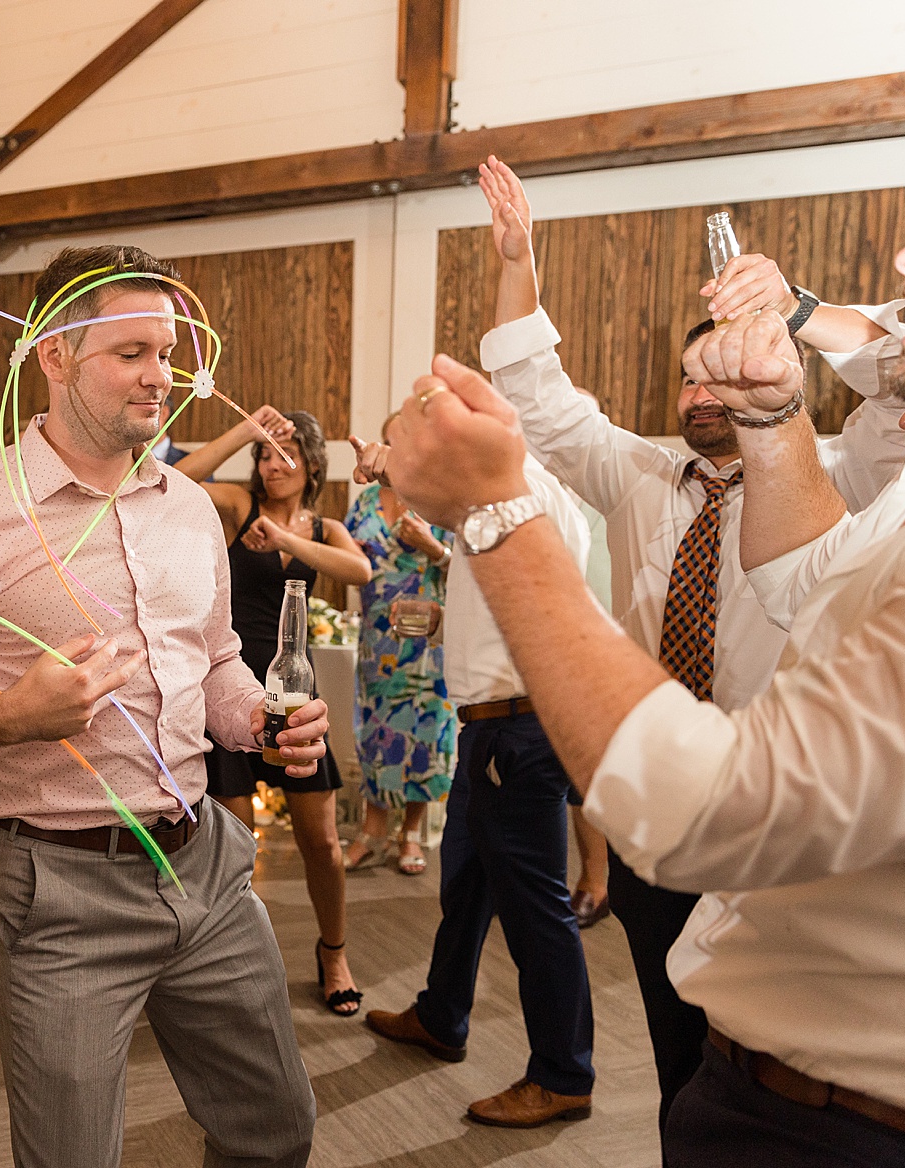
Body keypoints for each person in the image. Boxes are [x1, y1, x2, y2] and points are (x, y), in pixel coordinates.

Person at [381, 190, 905, 1168]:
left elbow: (713, 807)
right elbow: (806, 582)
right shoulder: (675, 479)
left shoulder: (891, 473)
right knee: (672, 1030)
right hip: (765, 1006)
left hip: (863, 1127)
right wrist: (775, 415)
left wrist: (494, 518)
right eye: (688, 378)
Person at [0, 244, 324, 1168]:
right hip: (63, 891)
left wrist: (260, 722)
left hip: (207, 866)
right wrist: (0, 718)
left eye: (169, 350)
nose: (163, 375)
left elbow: (219, 661)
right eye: (131, 353)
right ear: (54, 356)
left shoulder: (192, 507)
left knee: (274, 1130)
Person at [359, 434, 601, 1128]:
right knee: (466, 882)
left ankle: (563, 1073)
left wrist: (394, 461)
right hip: (492, 726)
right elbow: (511, 600)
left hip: (516, 731)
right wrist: (447, 622)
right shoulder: (515, 504)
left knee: (534, 908)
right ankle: (443, 1013)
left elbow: (439, 497)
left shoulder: (517, 496)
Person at [173, 406, 372, 1015]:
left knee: (323, 843)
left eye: (286, 453)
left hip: (292, 691)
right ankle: (235, 968)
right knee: (236, 848)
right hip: (231, 691)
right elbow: (181, 479)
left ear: (312, 465)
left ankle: (333, 951)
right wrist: (245, 431)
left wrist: (287, 539)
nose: (272, 463)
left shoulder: (324, 526)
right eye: (265, 453)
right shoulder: (236, 505)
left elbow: (360, 569)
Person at [343, 412, 456, 879]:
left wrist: (432, 547)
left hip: (428, 641)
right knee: (376, 731)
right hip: (378, 643)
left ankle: (410, 832)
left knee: (425, 734)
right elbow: (346, 556)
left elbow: (473, 571)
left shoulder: (442, 500)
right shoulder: (367, 502)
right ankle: (372, 831)